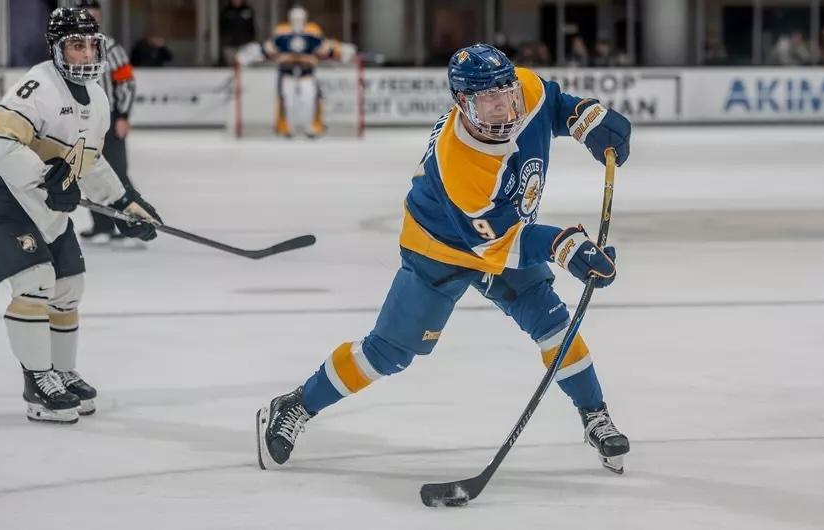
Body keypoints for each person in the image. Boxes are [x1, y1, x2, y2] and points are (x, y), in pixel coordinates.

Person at [256, 44, 632, 473]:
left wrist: (587, 118)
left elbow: (555, 106)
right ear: (462, 102)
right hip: (438, 246)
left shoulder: (524, 90)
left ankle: (594, 415)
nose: (503, 109)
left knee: (554, 325)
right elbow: (498, 244)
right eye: (487, 100)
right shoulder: (461, 161)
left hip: (501, 232)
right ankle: (297, 405)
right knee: (389, 352)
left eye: (505, 94)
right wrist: (566, 246)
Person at [0, 8, 161, 424]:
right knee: (34, 282)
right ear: (56, 48)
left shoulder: (99, 99)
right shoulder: (38, 87)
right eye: (75, 45)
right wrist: (49, 179)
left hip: (36, 195)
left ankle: (61, 372)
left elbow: (90, 160)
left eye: (90, 45)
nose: (85, 54)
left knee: (69, 284)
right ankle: (37, 382)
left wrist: (124, 203)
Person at [74, 0, 140, 245]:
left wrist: (123, 115)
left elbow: (127, 83)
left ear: (100, 17)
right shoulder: (69, 47)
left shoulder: (110, 47)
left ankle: (131, 225)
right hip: (82, 120)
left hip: (109, 119)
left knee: (118, 172)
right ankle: (102, 225)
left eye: (94, 15)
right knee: (90, 173)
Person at [257, 5, 354, 138]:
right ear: (290, 19)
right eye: (295, 18)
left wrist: (340, 51)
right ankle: (288, 127)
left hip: (306, 73)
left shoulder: (312, 32)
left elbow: (325, 48)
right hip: (287, 73)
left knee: (308, 101)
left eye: (300, 18)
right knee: (288, 102)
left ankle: (310, 127)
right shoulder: (282, 32)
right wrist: (276, 56)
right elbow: (269, 49)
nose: (297, 21)